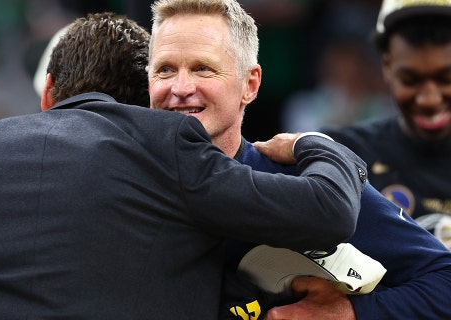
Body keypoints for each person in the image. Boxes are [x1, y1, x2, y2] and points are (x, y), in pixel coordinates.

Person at [0, 13, 367, 319]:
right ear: (142, 101)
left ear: (47, 91)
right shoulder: (169, 144)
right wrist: (323, 146)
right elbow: (328, 211)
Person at [146, 0, 451, 319]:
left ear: (249, 85)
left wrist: (348, 313)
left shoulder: (310, 186)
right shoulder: (112, 175)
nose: (180, 88)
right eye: (165, 69)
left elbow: (445, 281)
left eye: (202, 69)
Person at [320, 0, 451, 233]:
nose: (429, 99)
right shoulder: (342, 155)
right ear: (387, 67)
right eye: (410, 80)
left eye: (446, 79)